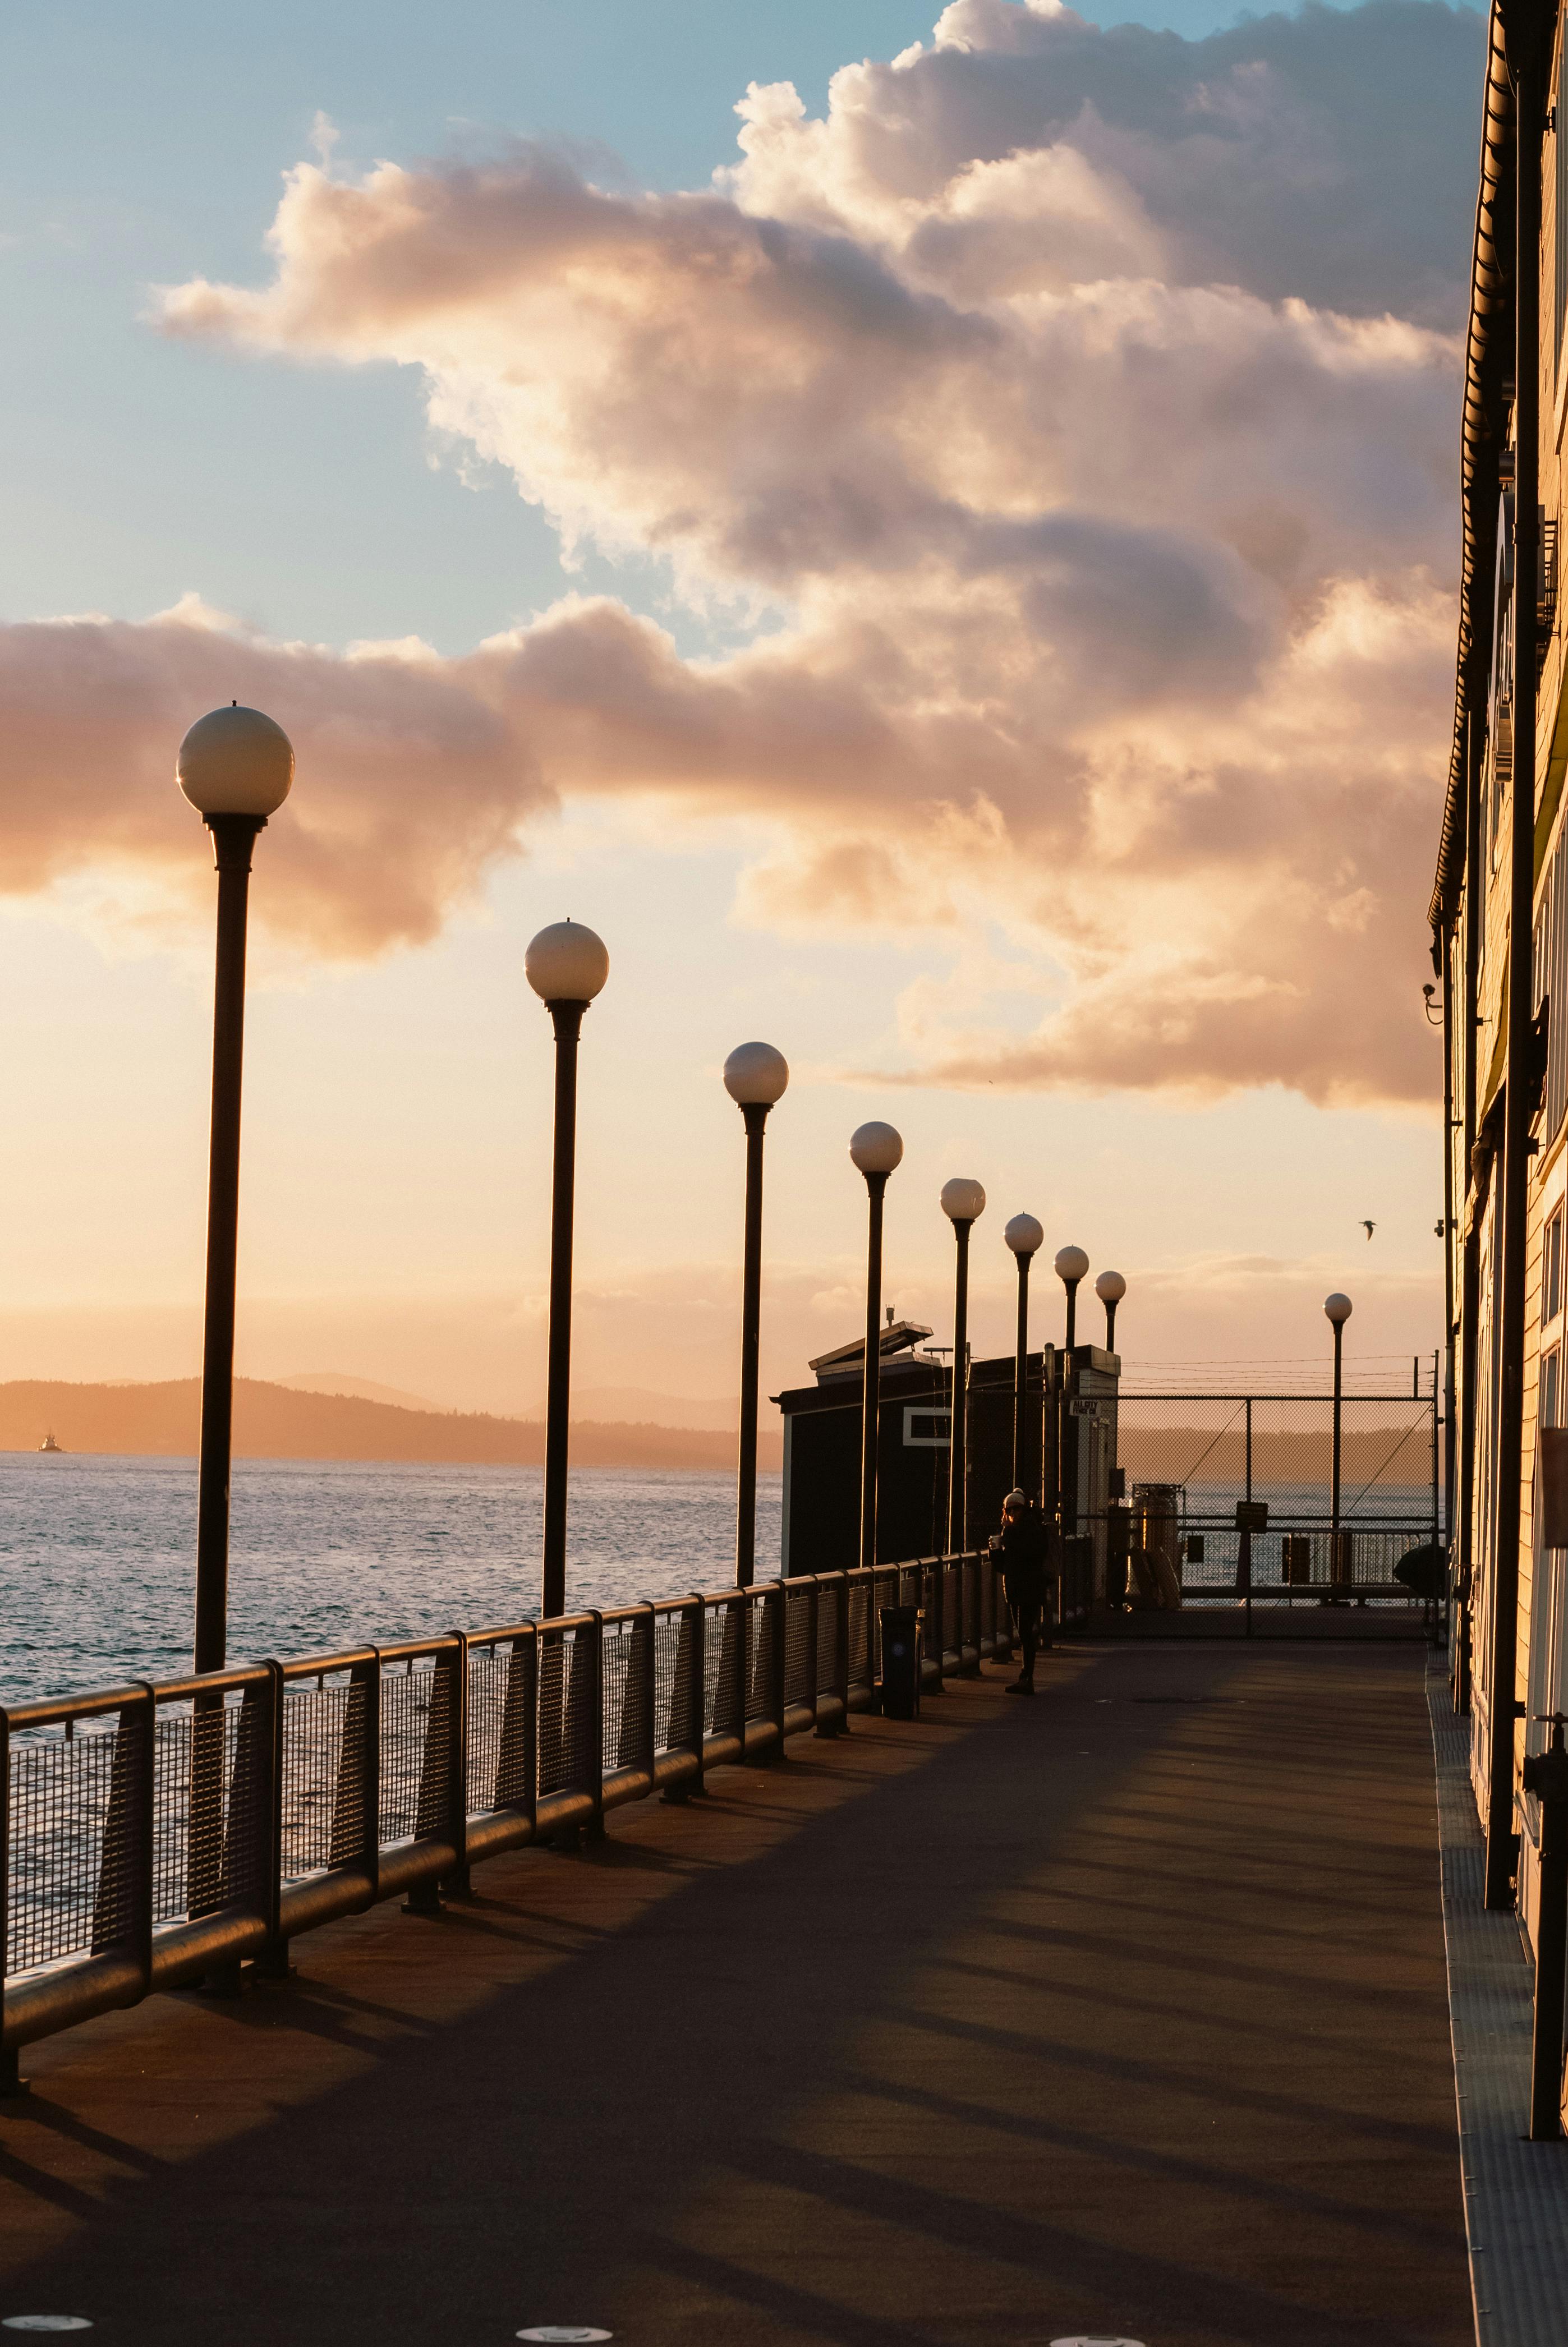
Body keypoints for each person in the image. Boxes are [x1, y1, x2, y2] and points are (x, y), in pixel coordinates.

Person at [992, 1489, 1061, 1695]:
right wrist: (995, 1550)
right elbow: (1005, 1566)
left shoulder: (1030, 1529)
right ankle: (1025, 1677)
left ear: (1024, 1509)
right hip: (1017, 1589)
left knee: (1025, 1633)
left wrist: (1007, 1534)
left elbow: (1028, 1553)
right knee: (1023, 1633)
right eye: (1009, 1509)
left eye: (1016, 1509)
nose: (1012, 1513)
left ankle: (1027, 1677)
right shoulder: (1014, 1531)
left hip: (1029, 1588)